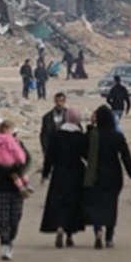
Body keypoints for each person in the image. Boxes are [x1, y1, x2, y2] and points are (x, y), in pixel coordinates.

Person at [81, 106, 131, 249]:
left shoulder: (92, 136)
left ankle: (98, 230)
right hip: (114, 175)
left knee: (96, 205)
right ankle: (109, 237)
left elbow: (83, 152)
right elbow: (126, 157)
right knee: (111, 206)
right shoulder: (117, 136)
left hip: (95, 176)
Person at [41, 106, 86, 248]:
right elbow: (86, 155)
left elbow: (50, 156)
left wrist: (45, 173)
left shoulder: (56, 135)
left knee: (59, 201)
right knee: (73, 203)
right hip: (76, 173)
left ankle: (59, 226)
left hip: (59, 172)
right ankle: (69, 235)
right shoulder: (80, 136)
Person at [0, 120, 32, 260]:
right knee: (2, 217)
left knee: (15, 216)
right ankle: (5, 243)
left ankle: (10, 239)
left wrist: (16, 171)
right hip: (0, 185)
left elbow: (27, 160)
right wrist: (10, 172)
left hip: (15, 188)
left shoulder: (18, 143)